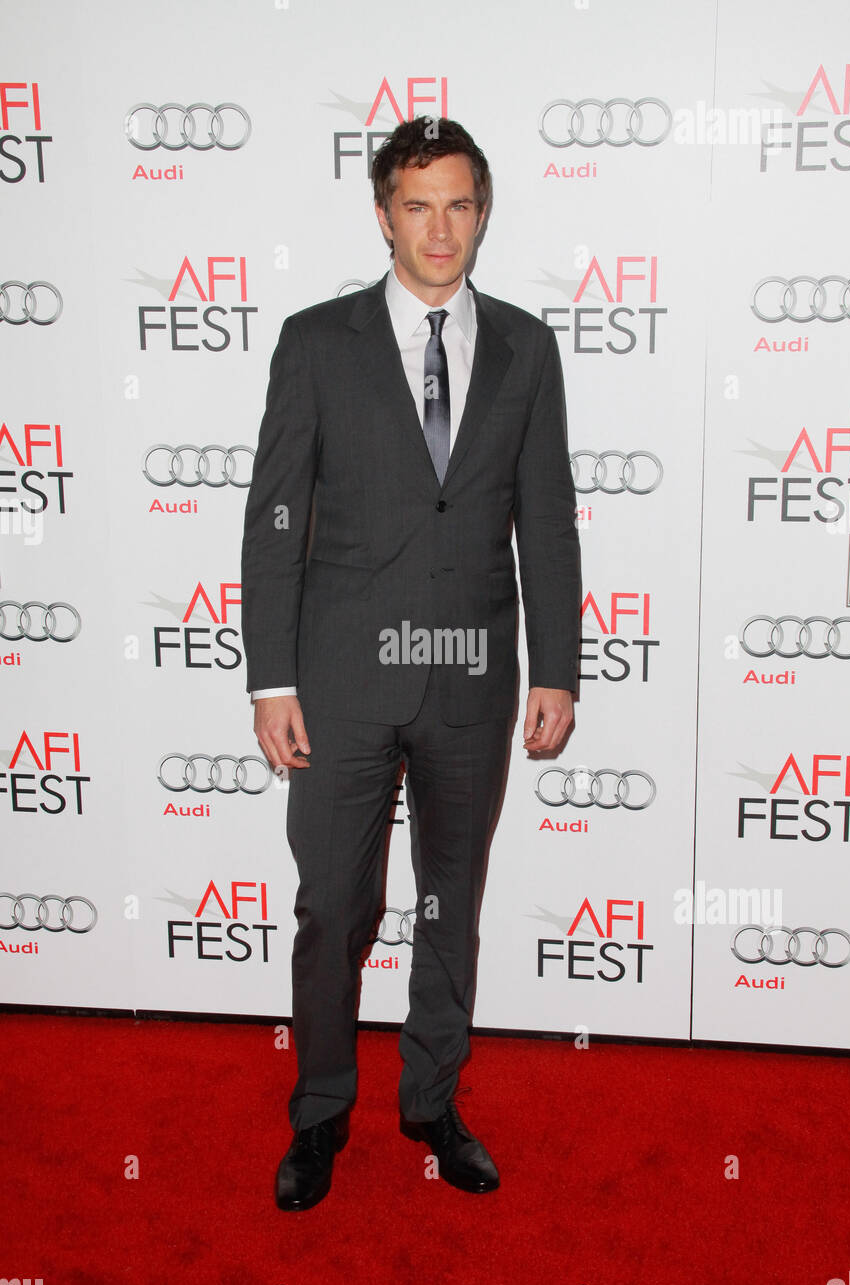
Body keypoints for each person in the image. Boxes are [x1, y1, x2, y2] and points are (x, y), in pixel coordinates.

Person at [241, 116, 580, 1211]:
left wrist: (555, 666)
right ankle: (319, 1110)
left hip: (473, 677)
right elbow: (273, 520)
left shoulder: (527, 347)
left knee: (448, 898)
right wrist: (270, 677)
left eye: (460, 204)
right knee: (333, 905)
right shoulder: (314, 341)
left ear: (483, 213)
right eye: (418, 205)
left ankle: (430, 1097)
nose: (440, 228)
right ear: (382, 215)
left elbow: (548, 517)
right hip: (337, 680)